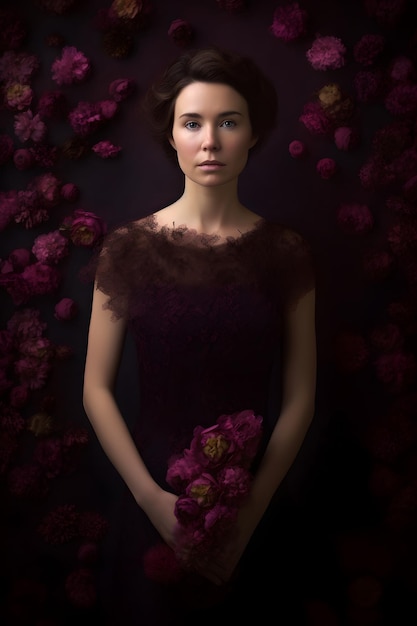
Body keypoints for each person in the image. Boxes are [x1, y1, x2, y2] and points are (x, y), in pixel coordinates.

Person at [83, 46, 316, 625]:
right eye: (193, 123)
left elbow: (301, 395)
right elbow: (95, 389)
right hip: (152, 494)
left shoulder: (285, 252)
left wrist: (250, 512)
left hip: (254, 502)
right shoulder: (128, 248)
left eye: (227, 122)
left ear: (252, 134)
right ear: (172, 135)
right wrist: (153, 502)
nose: (210, 141)